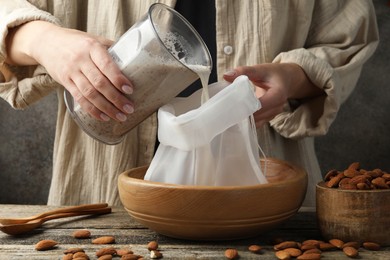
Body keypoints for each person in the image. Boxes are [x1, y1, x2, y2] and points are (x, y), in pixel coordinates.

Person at [0, 0, 379, 206]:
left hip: (261, 207)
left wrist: (294, 77)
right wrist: (46, 41)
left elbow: (350, 37)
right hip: (101, 197)